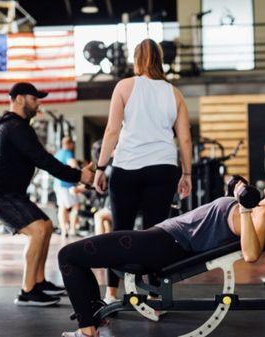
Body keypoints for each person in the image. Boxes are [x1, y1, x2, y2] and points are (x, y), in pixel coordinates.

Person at [58, 177, 265, 337]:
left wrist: (248, 208)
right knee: (77, 255)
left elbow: (250, 254)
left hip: (164, 244)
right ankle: (91, 319)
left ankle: (87, 330)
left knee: (68, 255)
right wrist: (238, 192)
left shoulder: (261, 215)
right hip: (160, 239)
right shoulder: (256, 209)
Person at [93, 39, 193, 302]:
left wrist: (100, 167)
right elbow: (184, 139)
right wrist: (187, 174)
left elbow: (112, 130)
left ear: (136, 60)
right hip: (163, 167)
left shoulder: (124, 86)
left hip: (128, 166)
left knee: (119, 231)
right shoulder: (175, 93)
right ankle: (157, 296)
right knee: (156, 233)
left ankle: (112, 293)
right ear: (161, 60)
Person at [0, 82, 95, 307]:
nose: (38, 103)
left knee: (46, 225)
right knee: (39, 230)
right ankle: (27, 290)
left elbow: (42, 158)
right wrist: (79, 176)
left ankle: (39, 281)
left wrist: (78, 175)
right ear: (20, 99)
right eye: (34, 99)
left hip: (12, 193)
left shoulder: (19, 126)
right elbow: (43, 160)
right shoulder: (14, 126)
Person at [54, 137, 81, 237]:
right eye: (72, 144)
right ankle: (72, 229)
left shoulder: (58, 153)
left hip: (57, 184)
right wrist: (79, 170)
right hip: (67, 184)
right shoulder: (68, 153)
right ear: (69, 144)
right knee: (76, 206)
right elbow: (73, 165)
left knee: (62, 207)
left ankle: (64, 230)